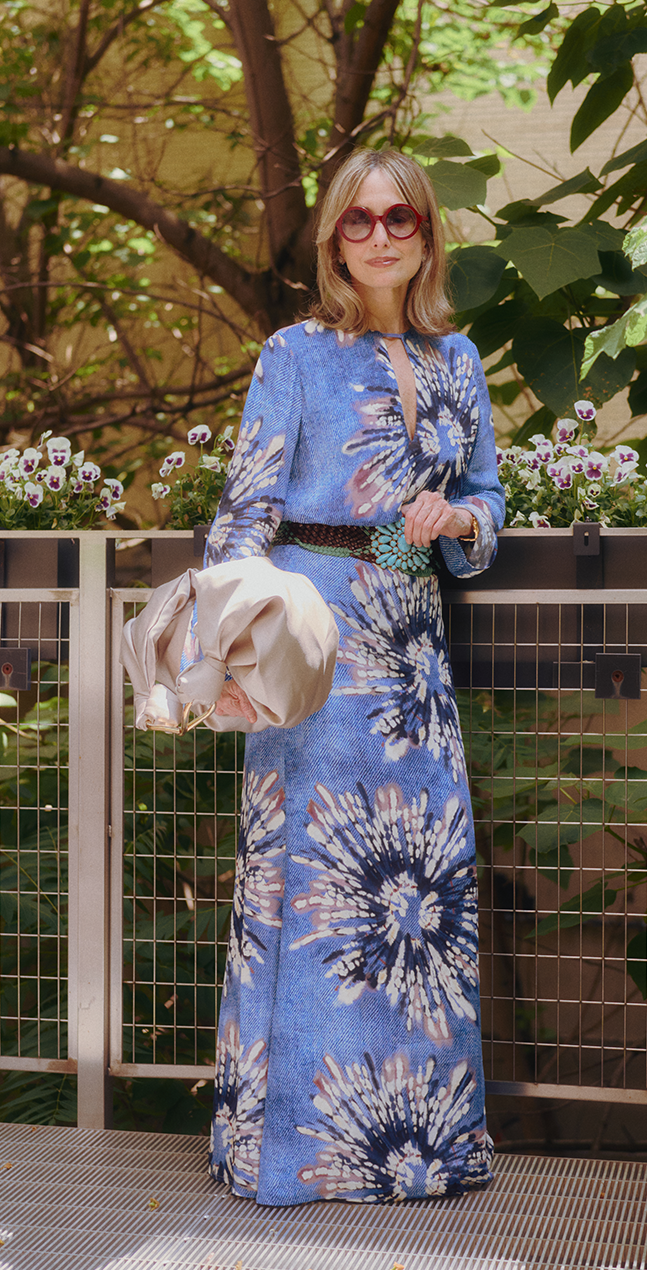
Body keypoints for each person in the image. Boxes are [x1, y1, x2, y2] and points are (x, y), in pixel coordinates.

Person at [198, 146, 506, 1207]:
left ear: (426, 233)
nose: (380, 236)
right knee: (317, 894)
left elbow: (487, 504)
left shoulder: (460, 360)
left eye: (401, 219)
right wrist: (230, 659)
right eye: (358, 221)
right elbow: (244, 516)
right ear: (335, 239)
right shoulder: (295, 353)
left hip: (415, 661)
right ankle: (285, 1157)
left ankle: (413, 1153)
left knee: (413, 902)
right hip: (313, 652)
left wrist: (458, 521)